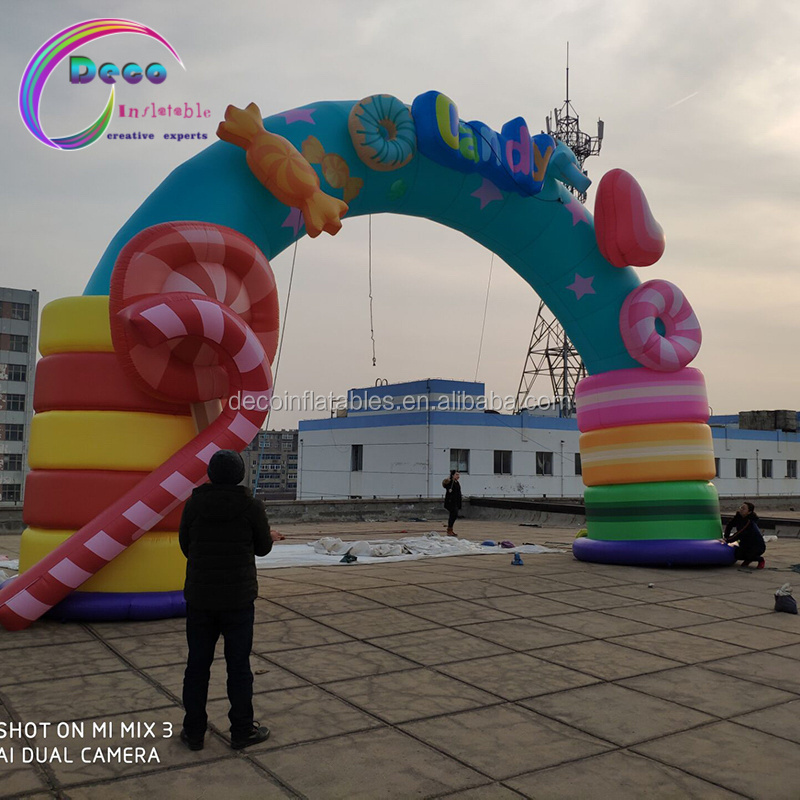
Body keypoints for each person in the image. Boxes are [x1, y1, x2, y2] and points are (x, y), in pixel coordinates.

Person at [179, 449, 278, 751]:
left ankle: (194, 732)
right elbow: (262, 549)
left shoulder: (194, 504)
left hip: (200, 598)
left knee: (197, 666)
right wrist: (270, 536)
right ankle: (242, 730)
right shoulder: (251, 506)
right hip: (238, 600)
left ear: (210, 473)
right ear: (240, 475)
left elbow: (185, 545)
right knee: (238, 666)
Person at [722, 501, 766, 568]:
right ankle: (748, 559)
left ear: (749, 512)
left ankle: (760, 560)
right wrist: (726, 536)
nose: (741, 510)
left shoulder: (749, 522)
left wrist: (728, 540)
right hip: (744, 543)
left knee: (750, 554)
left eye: (743, 509)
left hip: (757, 545)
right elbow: (729, 525)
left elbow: (740, 533)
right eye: (741, 508)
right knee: (737, 555)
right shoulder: (738, 517)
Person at [442, 470, 462, 537]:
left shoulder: (457, 483)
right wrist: (447, 482)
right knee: (453, 515)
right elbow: (446, 486)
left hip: (456, 502)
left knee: (454, 515)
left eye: (458, 475)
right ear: (453, 475)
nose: (458, 476)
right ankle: (449, 529)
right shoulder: (450, 482)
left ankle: (450, 528)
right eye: (456, 474)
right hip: (451, 502)